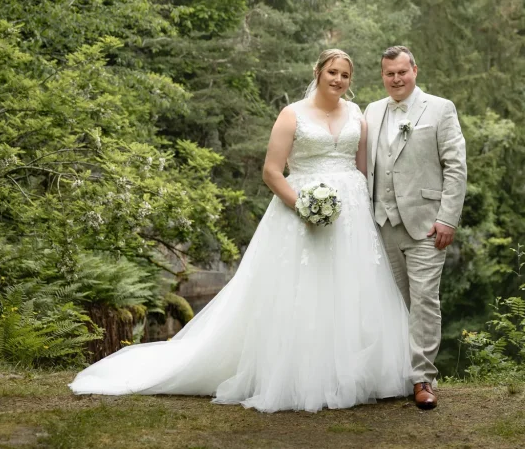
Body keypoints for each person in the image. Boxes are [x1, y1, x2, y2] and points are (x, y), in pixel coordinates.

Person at [69, 49, 412, 412]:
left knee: (351, 290)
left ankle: (353, 374)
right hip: (301, 212)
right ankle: (299, 375)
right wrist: (303, 206)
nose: (338, 80)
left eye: (344, 74)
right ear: (318, 72)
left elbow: (361, 170)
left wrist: (362, 206)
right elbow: (271, 172)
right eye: (332, 72)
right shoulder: (292, 114)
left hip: (351, 215)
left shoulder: (357, 114)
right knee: (303, 290)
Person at [364, 45, 467, 410]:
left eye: (402, 72)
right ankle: (395, 375)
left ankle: (423, 379)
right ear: (382, 75)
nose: (396, 79)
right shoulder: (372, 111)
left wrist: (448, 218)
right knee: (393, 302)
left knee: (424, 300)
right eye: (389, 73)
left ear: (415, 70)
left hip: (426, 224)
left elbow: (455, 166)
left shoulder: (440, 108)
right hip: (382, 223)